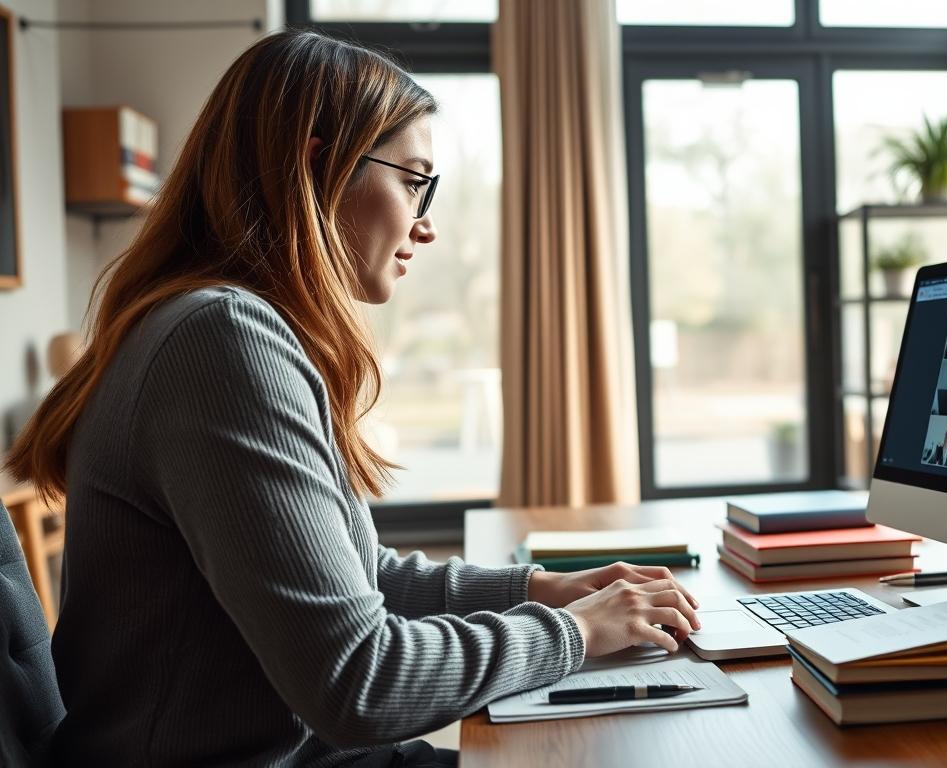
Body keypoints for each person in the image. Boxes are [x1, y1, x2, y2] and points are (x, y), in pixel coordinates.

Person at [2, 31, 699, 767]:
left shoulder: (223, 328)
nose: (424, 224)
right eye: (413, 180)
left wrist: (543, 589)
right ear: (317, 163)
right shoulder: (221, 340)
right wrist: (579, 632)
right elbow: (359, 682)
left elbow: (358, 579)